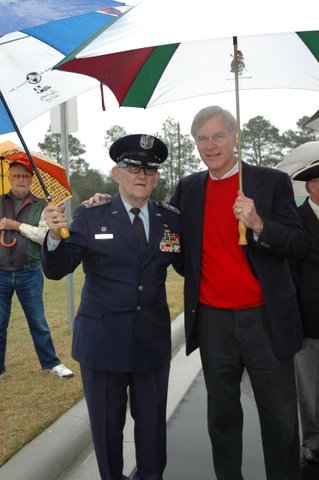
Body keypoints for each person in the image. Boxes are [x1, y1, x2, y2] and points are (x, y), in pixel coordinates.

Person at [87, 106, 308, 479]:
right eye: (202, 139)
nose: (211, 145)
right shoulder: (189, 188)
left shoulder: (271, 183)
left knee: (280, 418)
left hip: (265, 320)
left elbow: (300, 244)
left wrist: (258, 223)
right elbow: (150, 212)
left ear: (234, 137)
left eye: (218, 136)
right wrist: (106, 202)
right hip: (213, 321)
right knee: (221, 417)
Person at [41, 134, 182, 480]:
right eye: (132, 166)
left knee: (152, 431)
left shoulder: (171, 219)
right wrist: (53, 234)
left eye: (149, 169)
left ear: (157, 177)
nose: (141, 174)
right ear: (117, 173)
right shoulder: (92, 216)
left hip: (151, 341)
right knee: (106, 432)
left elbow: (189, 265)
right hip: (102, 344)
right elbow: (57, 270)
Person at [0, 159, 73, 380]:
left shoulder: (43, 206)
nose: (21, 179)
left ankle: (52, 363)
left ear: (32, 179)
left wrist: (17, 226)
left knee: (38, 321)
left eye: (25, 176)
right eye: (16, 175)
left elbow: (44, 237)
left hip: (29, 271)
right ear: (9, 178)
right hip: (1, 272)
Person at [291, 162, 319, 465]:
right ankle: (313, 441)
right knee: (310, 386)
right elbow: (290, 271)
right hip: (310, 315)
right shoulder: (296, 220)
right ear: (310, 186)